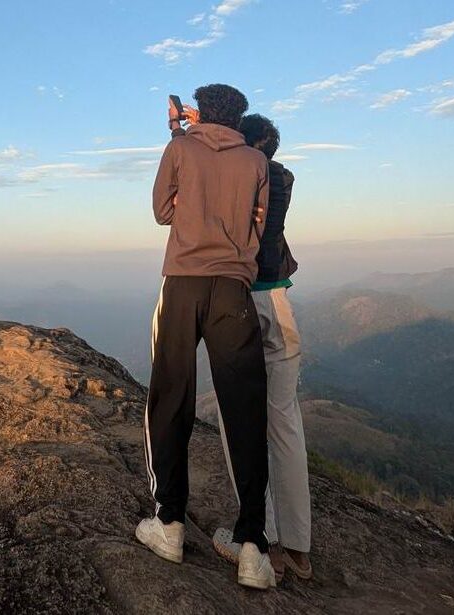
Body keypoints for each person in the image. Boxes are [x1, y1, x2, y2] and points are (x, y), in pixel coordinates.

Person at [135, 84, 275, 590]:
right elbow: (257, 227)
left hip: (184, 283)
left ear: (200, 111)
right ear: (239, 116)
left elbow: (161, 211)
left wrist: (179, 137)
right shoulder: (255, 162)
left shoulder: (180, 147)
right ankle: (252, 547)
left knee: (171, 395)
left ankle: (169, 523)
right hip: (234, 290)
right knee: (244, 407)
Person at [210, 114, 312, 583]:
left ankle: (260, 538)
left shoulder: (240, 176)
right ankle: (298, 547)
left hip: (242, 301)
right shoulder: (282, 177)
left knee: (239, 420)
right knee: (286, 421)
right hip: (280, 301)